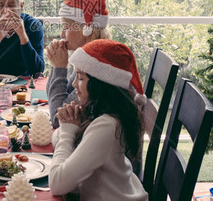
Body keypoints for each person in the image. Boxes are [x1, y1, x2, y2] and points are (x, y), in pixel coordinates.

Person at [49, 39, 148, 201]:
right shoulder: (103, 113)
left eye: (80, 78)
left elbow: (57, 184)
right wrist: (70, 127)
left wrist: (68, 131)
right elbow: (56, 139)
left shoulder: (106, 126)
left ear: (100, 84)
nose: (74, 83)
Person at [46, 0, 112, 128]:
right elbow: (56, 100)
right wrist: (54, 65)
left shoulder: (95, 68)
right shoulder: (87, 56)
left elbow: (57, 118)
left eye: (66, 27)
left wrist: (59, 68)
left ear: (87, 30)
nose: (62, 34)